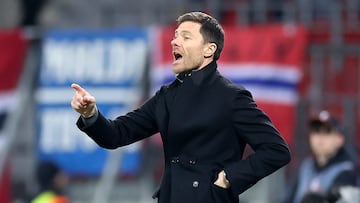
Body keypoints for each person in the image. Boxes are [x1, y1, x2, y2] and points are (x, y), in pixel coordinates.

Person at [70, 11, 291, 203]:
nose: (175, 42)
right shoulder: (168, 96)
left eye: (186, 37)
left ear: (209, 49)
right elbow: (116, 135)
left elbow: (276, 151)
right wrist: (91, 114)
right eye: (175, 36)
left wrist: (228, 178)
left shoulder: (232, 97)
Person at [282, 110, 358, 203]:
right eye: (316, 131)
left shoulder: (348, 170)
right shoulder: (306, 166)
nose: (320, 137)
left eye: (327, 132)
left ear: (339, 139)